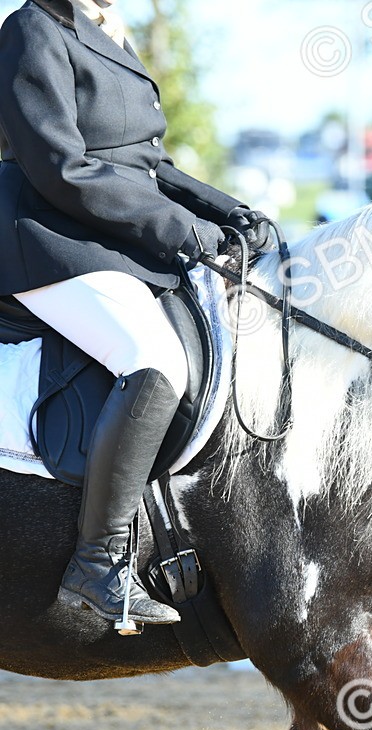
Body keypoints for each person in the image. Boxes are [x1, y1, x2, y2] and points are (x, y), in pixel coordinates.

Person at [0, 0, 267, 629]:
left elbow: (147, 165)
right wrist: (179, 231)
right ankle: (96, 565)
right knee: (154, 361)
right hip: (43, 238)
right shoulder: (30, 28)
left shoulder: (105, 34)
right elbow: (59, 166)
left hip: (101, 235)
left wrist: (227, 212)